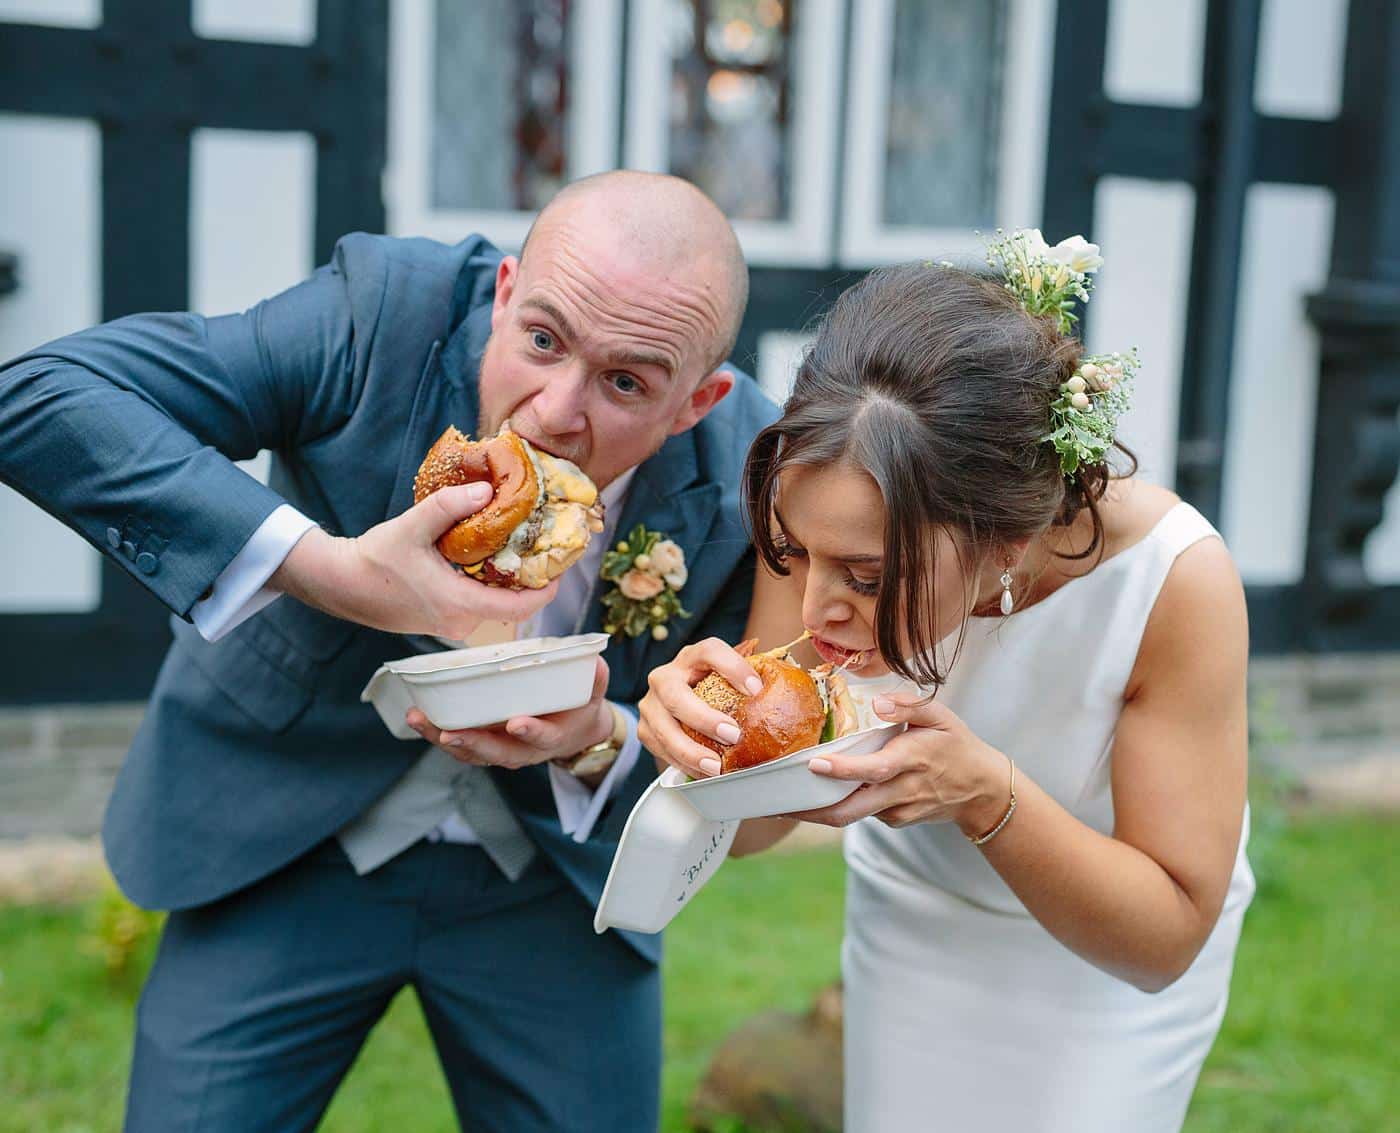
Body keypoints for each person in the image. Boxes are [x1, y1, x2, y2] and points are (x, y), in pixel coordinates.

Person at [0, 171, 781, 1132]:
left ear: (695, 403)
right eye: (541, 340)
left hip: (550, 880)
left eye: (626, 382)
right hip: (283, 827)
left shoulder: (754, 470)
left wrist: (600, 734)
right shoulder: (381, 316)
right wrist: (327, 569)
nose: (553, 410)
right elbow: (42, 392)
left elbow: (752, 790)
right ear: (502, 295)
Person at [639, 232, 1254, 1132]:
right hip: (913, 926)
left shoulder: (1176, 584)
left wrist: (987, 794)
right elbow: (756, 830)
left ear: (1006, 543)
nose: (817, 608)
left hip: (1110, 968)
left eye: (869, 577)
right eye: (799, 553)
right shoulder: (827, 511)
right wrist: (708, 750)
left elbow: (1165, 939)